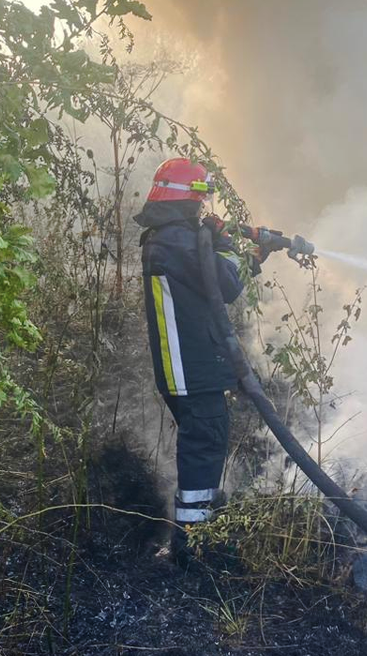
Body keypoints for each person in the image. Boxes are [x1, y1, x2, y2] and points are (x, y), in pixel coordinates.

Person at [134, 157, 271, 563]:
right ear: (189, 199)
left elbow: (213, 280)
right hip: (190, 370)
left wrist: (252, 255)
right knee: (204, 446)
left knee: (204, 445)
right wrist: (228, 244)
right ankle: (192, 550)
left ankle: (197, 529)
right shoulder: (176, 241)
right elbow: (225, 284)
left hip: (188, 367)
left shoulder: (171, 237)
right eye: (201, 201)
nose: (204, 210)